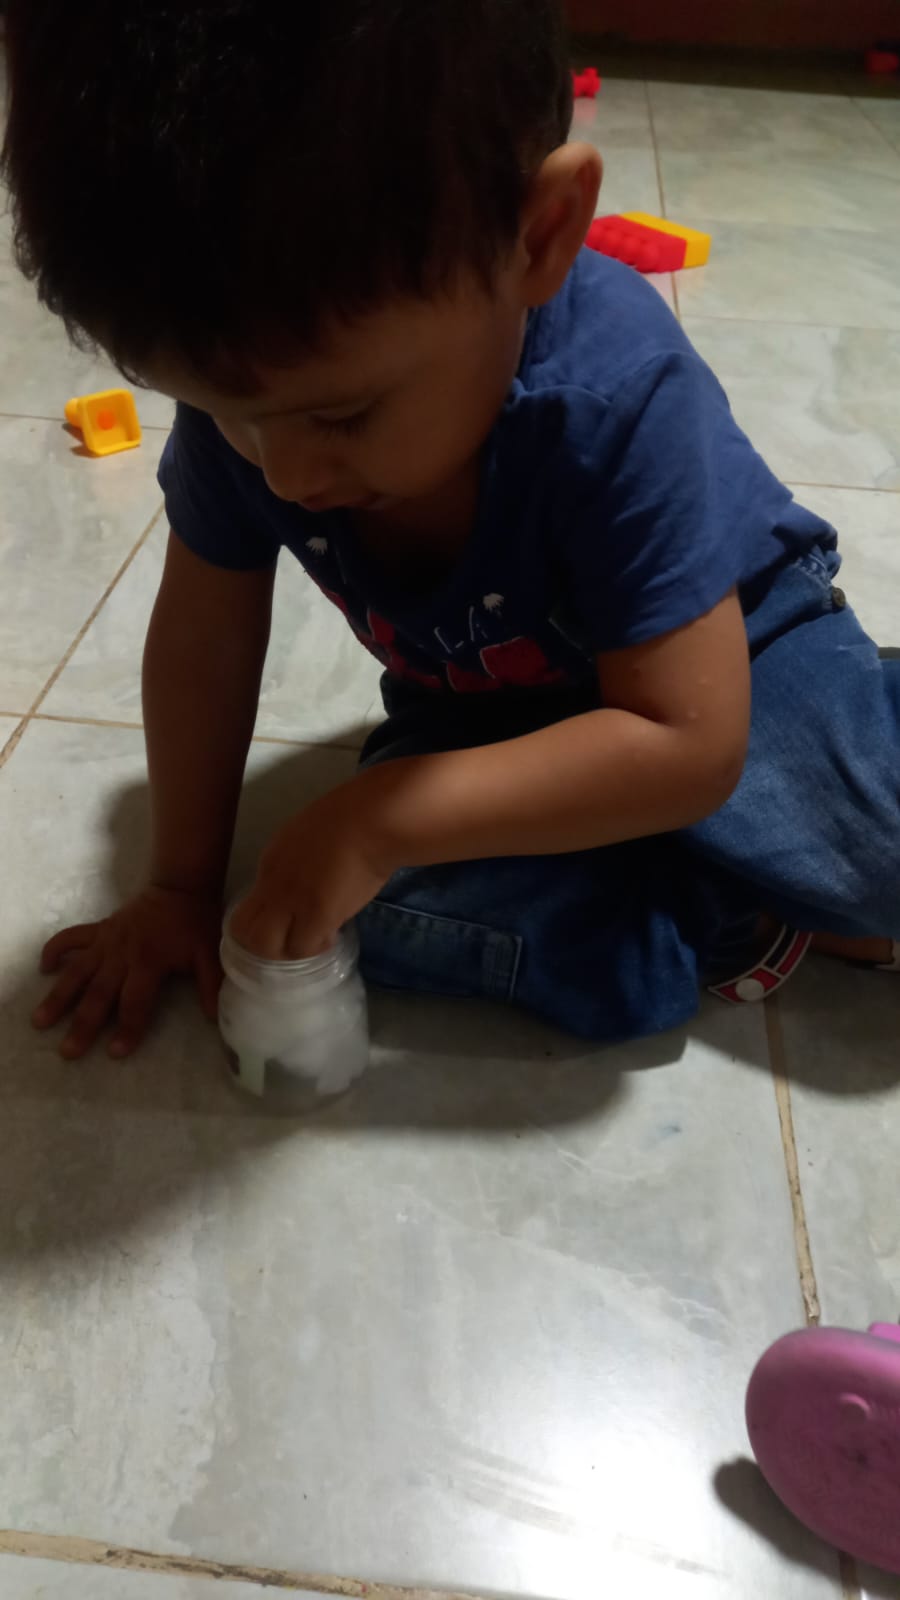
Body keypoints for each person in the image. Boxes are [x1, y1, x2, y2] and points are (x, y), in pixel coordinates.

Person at [4, 0, 899, 1062]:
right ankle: (728, 910)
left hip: (728, 665)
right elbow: (204, 638)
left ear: (540, 237)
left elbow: (687, 742)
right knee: (339, 915)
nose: (284, 473)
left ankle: (790, 801)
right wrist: (179, 886)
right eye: (222, 412)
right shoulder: (256, 403)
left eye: (343, 415)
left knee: (875, 856)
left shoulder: (616, 395)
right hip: (490, 716)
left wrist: (384, 815)